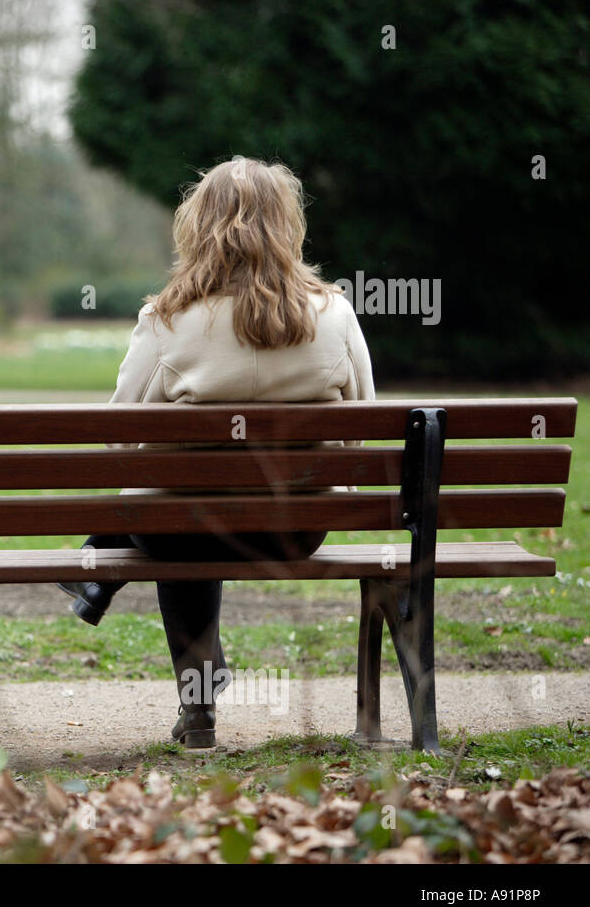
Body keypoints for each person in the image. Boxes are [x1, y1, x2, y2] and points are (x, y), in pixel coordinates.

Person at [57, 156, 375, 749]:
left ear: (198, 227)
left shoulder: (167, 318)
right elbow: (357, 438)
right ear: (287, 226)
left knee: (173, 511)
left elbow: (119, 440)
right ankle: (199, 682)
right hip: (294, 528)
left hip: (180, 528)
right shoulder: (336, 315)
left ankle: (197, 698)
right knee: (182, 507)